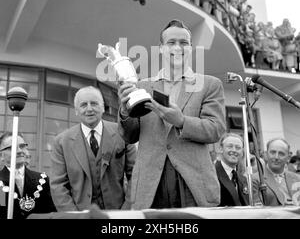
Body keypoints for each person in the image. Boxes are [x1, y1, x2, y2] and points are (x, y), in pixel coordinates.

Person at [118, 19, 226, 209]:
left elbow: (215, 130)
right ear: (161, 48)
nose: (178, 47)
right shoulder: (142, 86)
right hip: (150, 186)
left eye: (184, 43)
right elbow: (129, 135)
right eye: (171, 42)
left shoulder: (210, 84)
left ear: (191, 48)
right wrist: (125, 110)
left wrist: (182, 121)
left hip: (193, 185)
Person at [50, 86, 137, 211]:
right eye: (84, 105)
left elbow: (136, 175)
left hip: (117, 214)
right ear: (76, 110)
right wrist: (74, 217)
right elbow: (58, 186)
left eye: (94, 104)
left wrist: (126, 210)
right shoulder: (61, 142)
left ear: (103, 108)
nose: (89, 109)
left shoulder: (123, 133)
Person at [0, 132, 56, 219]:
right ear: (1, 155)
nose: (19, 151)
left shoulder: (42, 180)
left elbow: (50, 213)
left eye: (22, 146)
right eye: (12, 148)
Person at [253, 138, 300, 206]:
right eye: (273, 152)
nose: (276, 157)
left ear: (288, 157)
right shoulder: (255, 179)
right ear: (266, 154)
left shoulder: (297, 178)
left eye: (281, 154)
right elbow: (258, 211)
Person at [215, 133, 249, 206]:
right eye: (230, 146)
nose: (234, 150)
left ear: (242, 153)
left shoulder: (242, 179)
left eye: (238, 148)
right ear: (221, 149)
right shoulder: (212, 174)